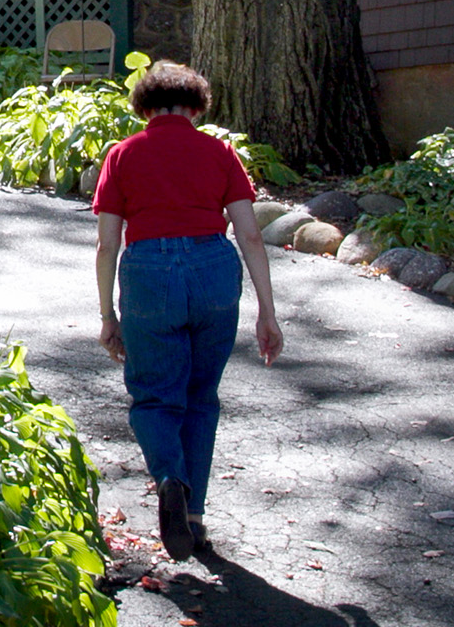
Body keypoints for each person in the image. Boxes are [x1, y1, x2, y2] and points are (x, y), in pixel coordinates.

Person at [91, 60, 284, 560]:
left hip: (149, 273)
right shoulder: (219, 152)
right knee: (201, 396)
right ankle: (194, 518)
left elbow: (107, 244)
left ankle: (169, 477)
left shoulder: (123, 154)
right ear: (196, 107)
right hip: (213, 271)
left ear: (145, 108)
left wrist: (108, 314)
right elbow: (249, 234)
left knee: (155, 397)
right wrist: (267, 310)